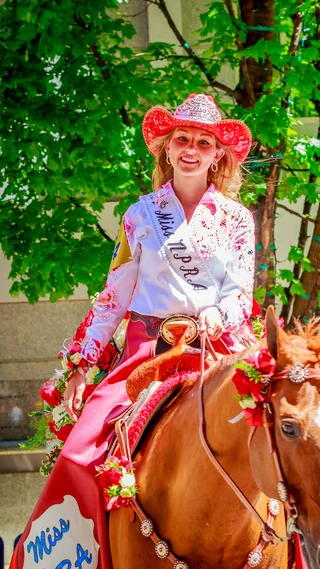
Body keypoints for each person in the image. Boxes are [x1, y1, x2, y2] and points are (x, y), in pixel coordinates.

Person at [10, 93, 256, 569]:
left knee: (283, 437)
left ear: (218, 154)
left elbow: (241, 295)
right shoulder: (140, 216)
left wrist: (219, 316)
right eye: (181, 138)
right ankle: (61, 556)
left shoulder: (237, 220)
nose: (190, 148)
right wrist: (82, 366)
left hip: (217, 347)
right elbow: (113, 298)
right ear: (166, 149)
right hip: (147, 352)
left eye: (203, 142)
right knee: (81, 450)